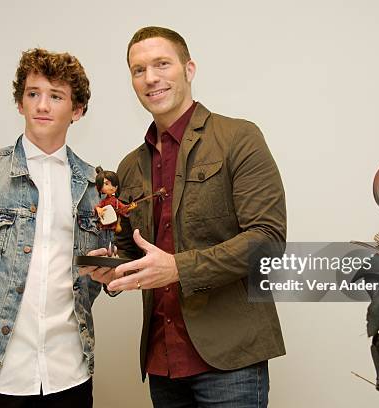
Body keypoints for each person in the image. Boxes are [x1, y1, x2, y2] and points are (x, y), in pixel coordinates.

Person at [85, 26, 287, 407]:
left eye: (162, 64)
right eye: (138, 69)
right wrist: (114, 271)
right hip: (162, 364)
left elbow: (268, 240)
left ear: (189, 69)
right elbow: (135, 253)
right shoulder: (130, 166)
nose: (150, 78)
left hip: (231, 362)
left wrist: (179, 268)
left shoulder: (239, 137)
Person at [0, 48, 107, 407]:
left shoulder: (93, 186)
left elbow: (90, 280)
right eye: (33, 94)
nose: (42, 105)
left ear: (77, 111)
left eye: (55, 96)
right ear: (20, 103)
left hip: (69, 375)